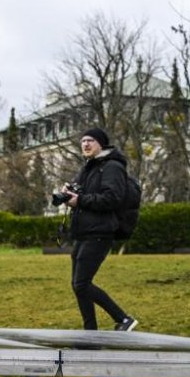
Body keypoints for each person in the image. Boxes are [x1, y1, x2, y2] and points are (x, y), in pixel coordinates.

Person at [57, 128, 140, 332]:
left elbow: (112, 198)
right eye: (83, 141)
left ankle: (124, 319)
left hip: (100, 232)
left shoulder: (112, 167)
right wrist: (68, 194)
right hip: (84, 232)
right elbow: (81, 193)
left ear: (101, 144)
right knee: (78, 285)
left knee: (82, 284)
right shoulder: (89, 167)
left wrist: (80, 200)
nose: (85, 144)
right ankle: (90, 332)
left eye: (90, 141)